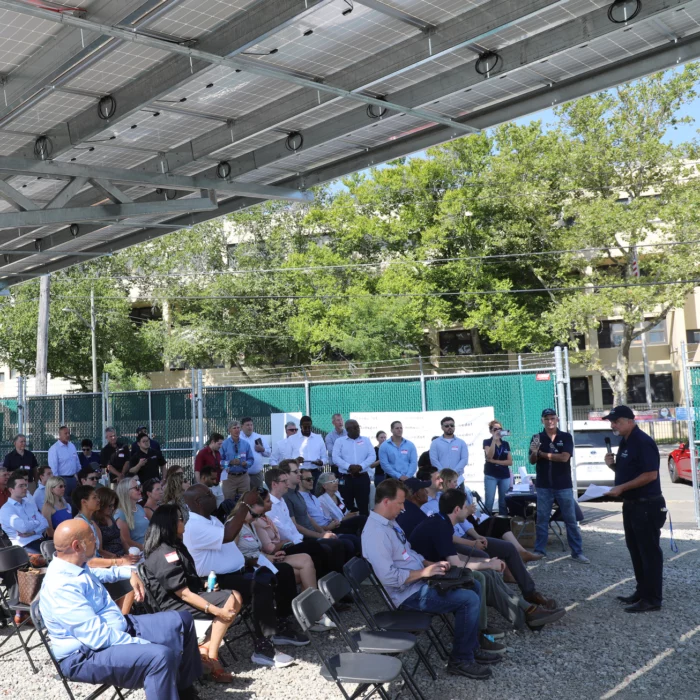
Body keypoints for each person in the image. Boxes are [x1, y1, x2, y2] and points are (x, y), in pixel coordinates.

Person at [39, 519, 201, 700]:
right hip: (86, 654)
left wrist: (129, 572)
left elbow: (100, 573)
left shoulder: (75, 565)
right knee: (160, 657)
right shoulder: (60, 586)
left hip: (115, 628)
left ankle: (183, 691)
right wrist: (145, 644)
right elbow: (97, 638)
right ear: (77, 546)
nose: (97, 542)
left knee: (182, 620)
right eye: (92, 538)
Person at [362, 478, 497, 680]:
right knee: (469, 599)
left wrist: (428, 564)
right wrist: (424, 573)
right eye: (400, 503)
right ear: (386, 502)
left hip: (419, 581)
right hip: (407, 595)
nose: (402, 508)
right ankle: (460, 660)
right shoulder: (375, 533)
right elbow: (390, 578)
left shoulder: (389, 523)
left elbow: (409, 553)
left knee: (473, 583)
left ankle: (470, 647)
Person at [410, 488, 566, 633]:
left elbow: (455, 557)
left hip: (434, 567)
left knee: (488, 572)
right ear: (457, 510)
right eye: (465, 507)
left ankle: (529, 612)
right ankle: (527, 614)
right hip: (425, 576)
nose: (468, 510)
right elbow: (456, 564)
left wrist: (486, 563)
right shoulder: (441, 526)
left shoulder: (441, 521)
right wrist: (488, 564)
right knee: (485, 575)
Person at [182, 484, 306, 667]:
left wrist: (248, 561)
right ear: (199, 502)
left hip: (239, 571)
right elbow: (228, 535)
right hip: (216, 581)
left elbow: (225, 548)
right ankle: (263, 648)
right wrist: (244, 506)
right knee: (260, 585)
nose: (214, 496)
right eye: (209, 494)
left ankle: (280, 623)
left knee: (284, 571)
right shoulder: (194, 525)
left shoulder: (211, 520)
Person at [143, 504, 241, 682]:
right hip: (173, 605)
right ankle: (213, 659)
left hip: (184, 596)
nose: (184, 521)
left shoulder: (175, 545)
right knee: (229, 600)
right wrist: (215, 610)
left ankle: (205, 649)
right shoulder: (164, 553)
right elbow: (183, 593)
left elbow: (187, 579)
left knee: (236, 596)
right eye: (180, 519)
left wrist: (204, 584)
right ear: (170, 523)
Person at [603, 405, 666, 613]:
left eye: (617, 421)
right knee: (636, 551)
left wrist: (621, 487)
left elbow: (650, 475)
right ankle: (642, 591)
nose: (613, 425)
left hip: (647, 505)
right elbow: (630, 471)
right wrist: (612, 466)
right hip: (631, 505)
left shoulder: (642, 442)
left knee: (649, 553)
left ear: (630, 421)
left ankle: (652, 599)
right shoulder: (625, 441)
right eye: (612, 421)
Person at [529, 408, 589, 564]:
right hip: (543, 485)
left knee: (570, 520)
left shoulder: (566, 437)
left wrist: (542, 454)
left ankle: (577, 552)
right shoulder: (537, 437)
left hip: (563, 485)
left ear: (557, 419)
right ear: (542, 420)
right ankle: (539, 551)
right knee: (542, 520)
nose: (550, 421)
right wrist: (535, 453)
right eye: (547, 418)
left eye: (552, 418)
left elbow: (564, 458)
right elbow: (532, 460)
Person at [265, 467, 343, 579]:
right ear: (274, 484)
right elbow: (283, 531)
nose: (287, 484)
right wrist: (301, 540)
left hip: (297, 540)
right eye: (284, 482)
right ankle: (327, 585)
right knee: (320, 548)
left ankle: (337, 583)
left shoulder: (281, 501)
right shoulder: (270, 505)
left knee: (334, 544)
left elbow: (291, 526)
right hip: (286, 546)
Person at [72, 485, 138, 615]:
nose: (98, 501)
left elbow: (100, 550)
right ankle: (122, 619)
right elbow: (90, 562)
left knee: (135, 570)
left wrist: (120, 559)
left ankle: (121, 615)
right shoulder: (80, 525)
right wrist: (119, 562)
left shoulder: (91, 523)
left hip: (98, 565)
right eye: (94, 497)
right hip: (89, 570)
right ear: (84, 502)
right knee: (132, 574)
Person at [281, 460, 356, 565]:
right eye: (295, 472)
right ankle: (339, 577)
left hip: (317, 532)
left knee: (349, 539)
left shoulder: (297, 495)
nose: (299, 474)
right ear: (286, 475)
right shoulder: (286, 496)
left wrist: (323, 533)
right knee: (342, 543)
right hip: (305, 538)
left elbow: (309, 518)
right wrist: (320, 535)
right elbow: (295, 526)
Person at [240, 494, 318, 592]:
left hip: (266, 558)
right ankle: (311, 602)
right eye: (255, 515)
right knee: (300, 572)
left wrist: (270, 556)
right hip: (256, 564)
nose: (256, 518)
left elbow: (258, 550)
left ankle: (312, 602)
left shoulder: (250, 523)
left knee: (306, 558)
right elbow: (241, 555)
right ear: (244, 509)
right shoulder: (235, 528)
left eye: (259, 515)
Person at [332, 419, 374, 516]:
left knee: (363, 505)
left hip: (362, 477)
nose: (357, 429)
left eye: (358, 427)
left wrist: (360, 466)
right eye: (354, 428)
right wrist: (349, 466)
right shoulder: (340, 441)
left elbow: (372, 456)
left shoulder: (366, 440)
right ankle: (350, 528)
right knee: (347, 505)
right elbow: (335, 458)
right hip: (346, 478)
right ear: (347, 429)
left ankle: (363, 529)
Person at [0, 472, 48, 552]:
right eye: (21, 486)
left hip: (41, 542)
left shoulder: (29, 504)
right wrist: (37, 522)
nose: (25, 488)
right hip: (25, 547)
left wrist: (33, 532)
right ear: (11, 490)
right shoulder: (6, 509)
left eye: (25, 485)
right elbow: (23, 528)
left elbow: (45, 523)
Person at [314, 471, 367, 537]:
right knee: (362, 519)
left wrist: (351, 515)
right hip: (336, 527)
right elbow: (328, 522)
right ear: (324, 486)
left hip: (345, 522)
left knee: (363, 517)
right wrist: (344, 518)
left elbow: (344, 510)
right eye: (332, 481)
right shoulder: (321, 501)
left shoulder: (337, 493)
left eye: (336, 480)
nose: (336, 483)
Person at [483, 420, 513, 516]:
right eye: (495, 429)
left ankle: (503, 524)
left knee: (503, 502)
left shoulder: (505, 444)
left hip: (504, 475)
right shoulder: (487, 442)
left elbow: (510, 462)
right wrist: (494, 440)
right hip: (491, 475)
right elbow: (489, 457)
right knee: (489, 501)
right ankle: (487, 524)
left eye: (500, 429)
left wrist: (495, 461)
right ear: (491, 431)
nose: (498, 431)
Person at [220, 420, 254, 500]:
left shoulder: (245, 444)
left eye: (238, 428)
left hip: (243, 477)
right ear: (229, 430)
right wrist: (230, 462)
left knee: (245, 501)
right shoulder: (224, 444)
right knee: (229, 502)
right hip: (229, 478)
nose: (237, 430)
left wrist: (246, 463)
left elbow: (251, 459)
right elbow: (219, 461)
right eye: (234, 428)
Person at [289, 416, 326, 489]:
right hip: (299, 473)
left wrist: (321, 462)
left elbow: (325, 457)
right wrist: (295, 460)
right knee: (299, 496)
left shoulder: (318, 438)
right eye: (305, 427)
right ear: (300, 426)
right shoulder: (292, 439)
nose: (307, 429)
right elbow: (287, 457)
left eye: (309, 427)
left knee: (315, 495)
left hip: (315, 472)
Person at [429, 417, 469, 483]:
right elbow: (434, 460)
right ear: (442, 427)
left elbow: (464, 459)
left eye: (452, 425)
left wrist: (454, 473)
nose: (450, 427)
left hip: (458, 479)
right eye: (447, 426)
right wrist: (444, 474)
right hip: (442, 479)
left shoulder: (461, 442)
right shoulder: (435, 443)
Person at [115, 477, 150, 551]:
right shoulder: (121, 513)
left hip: (149, 548)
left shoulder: (139, 507)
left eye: (139, 487)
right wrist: (146, 548)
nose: (140, 490)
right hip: (138, 553)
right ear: (126, 491)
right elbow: (126, 541)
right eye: (136, 488)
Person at [94, 487, 129, 558]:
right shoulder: (95, 522)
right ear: (102, 504)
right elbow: (100, 551)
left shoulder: (110, 517)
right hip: (111, 561)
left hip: (123, 557)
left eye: (113, 505)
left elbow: (123, 541)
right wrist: (120, 559)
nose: (112, 508)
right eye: (110, 506)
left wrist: (131, 554)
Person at [48, 426, 81, 499]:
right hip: (62, 479)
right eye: (65, 433)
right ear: (60, 435)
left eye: (69, 433)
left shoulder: (72, 446)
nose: (68, 435)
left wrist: (78, 477)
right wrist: (58, 483)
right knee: (63, 501)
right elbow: (53, 468)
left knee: (75, 501)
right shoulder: (54, 449)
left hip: (73, 478)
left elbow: (77, 462)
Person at [240, 417, 270, 491]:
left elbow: (268, 453)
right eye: (247, 425)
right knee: (243, 497)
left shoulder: (259, 437)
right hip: (241, 475)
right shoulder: (237, 438)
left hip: (256, 475)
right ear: (242, 426)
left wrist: (262, 449)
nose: (250, 427)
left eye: (251, 425)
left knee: (258, 497)